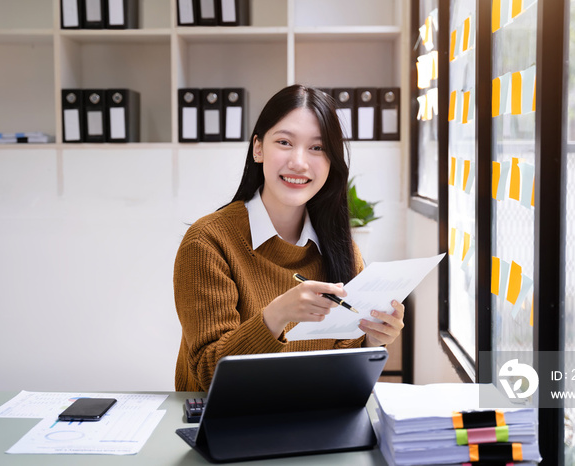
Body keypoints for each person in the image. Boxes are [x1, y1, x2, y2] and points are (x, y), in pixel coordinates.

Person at [173, 84, 404, 392]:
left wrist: (373, 341)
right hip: (232, 427)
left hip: (313, 424)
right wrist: (277, 315)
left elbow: (343, 380)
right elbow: (207, 375)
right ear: (258, 148)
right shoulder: (207, 242)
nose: (299, 162)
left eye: (317, 148)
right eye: (284, 142)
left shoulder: (342, 250)